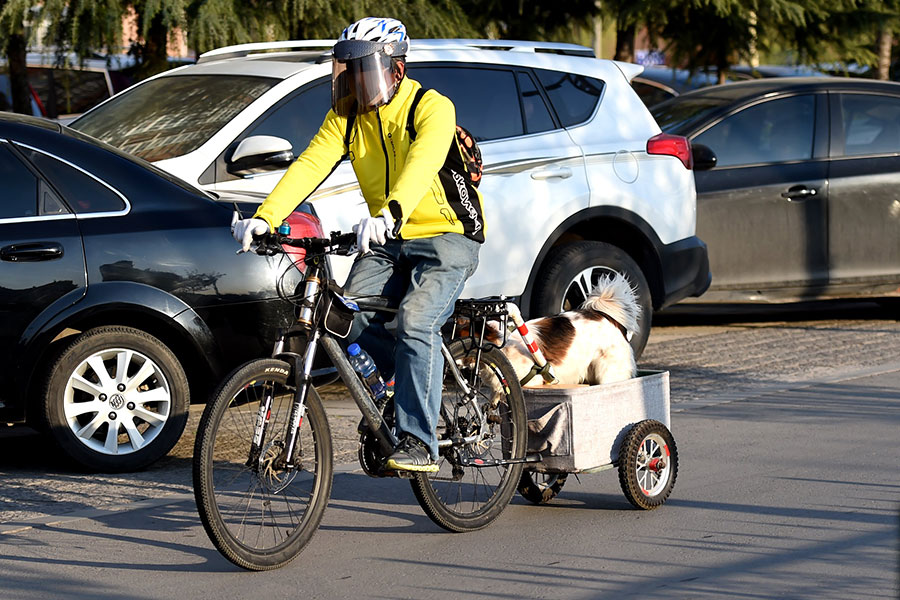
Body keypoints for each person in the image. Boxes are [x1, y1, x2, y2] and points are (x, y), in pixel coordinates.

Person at [231, 17, 486, 472]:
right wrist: (265, 217)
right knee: (344, 317)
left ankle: (419, 442)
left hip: (446, 235)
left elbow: (423, 164)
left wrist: (390, 211)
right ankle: (403, 383)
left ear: (396, 71)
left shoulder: (431, 107)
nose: (354, 82)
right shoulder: (346, 119)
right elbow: (309, 166)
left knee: (415, 320)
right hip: (390, 239)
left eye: (363, 71)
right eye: (347, 72)